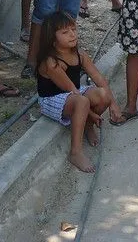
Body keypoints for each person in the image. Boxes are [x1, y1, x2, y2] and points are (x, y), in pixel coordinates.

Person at [37, 11, 124, 172]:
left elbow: (98, 78)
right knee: (83, 101)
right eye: (65, 32)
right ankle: (75, 152)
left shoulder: (80, 54)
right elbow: (71, 90)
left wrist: (113, 104)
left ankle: (87, 126)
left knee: (103, 94)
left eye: (73, 29)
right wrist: (91, 113)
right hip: (52, 99)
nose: (72, 34)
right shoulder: (52, 62)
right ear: (52, 39)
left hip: (74, 93)